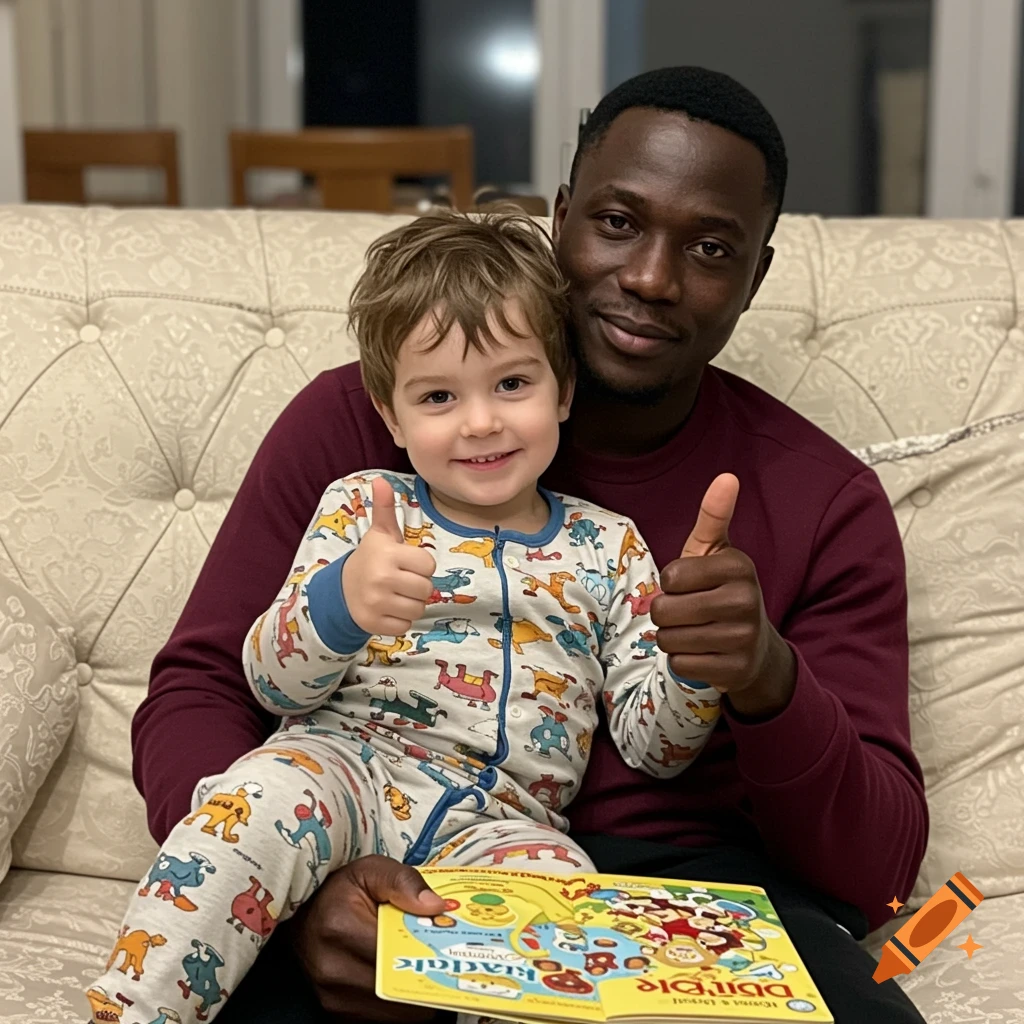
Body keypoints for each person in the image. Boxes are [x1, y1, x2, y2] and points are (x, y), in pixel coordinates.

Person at [131, 67, 928, 1024]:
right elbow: (201, 689)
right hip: (362, 846)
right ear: (561, 219)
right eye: (619, 223)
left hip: (668, 900)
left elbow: (880, 874)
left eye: (711, 247)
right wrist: (296, 892)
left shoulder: (824, 500)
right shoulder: (366, 425)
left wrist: (765, 678)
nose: (650, 278)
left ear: (755, 276)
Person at [87, 209, 722, 1022]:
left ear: (564, 391)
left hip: (503, 820)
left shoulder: (610, 548)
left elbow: (654, 744)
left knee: (568, 907)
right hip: (344, 767)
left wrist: (693, 660)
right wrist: (339, 605)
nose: (481, 420)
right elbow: (271, 684)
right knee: (248, 804)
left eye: (512, 384)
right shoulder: (361, 506)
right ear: (391, 416)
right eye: (438, 396)